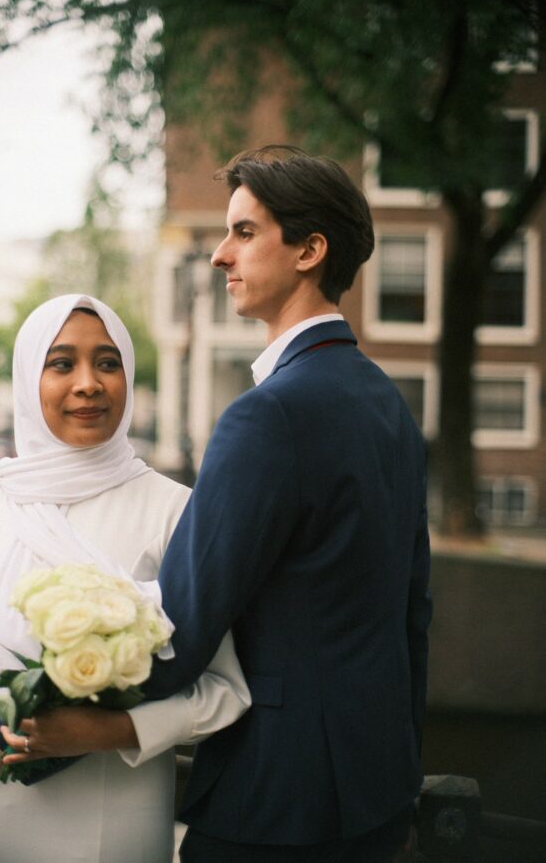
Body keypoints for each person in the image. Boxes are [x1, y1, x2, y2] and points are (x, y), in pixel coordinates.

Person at [141, 145, 433, 861]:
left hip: (272, 803)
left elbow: (180, 628)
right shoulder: (386, 403)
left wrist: (42, 707)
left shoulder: (265, 415)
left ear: (309, 250)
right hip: (377, 789)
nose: (219, 256)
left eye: (244, 231)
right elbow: (411, 613)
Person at [0, 294, 250, 863]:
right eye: (62, 363)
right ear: (28, 379)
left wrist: (103, 731)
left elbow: (226, 692)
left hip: (110, 828)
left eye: (108, 362)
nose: (89, 383)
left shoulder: (176, 513)